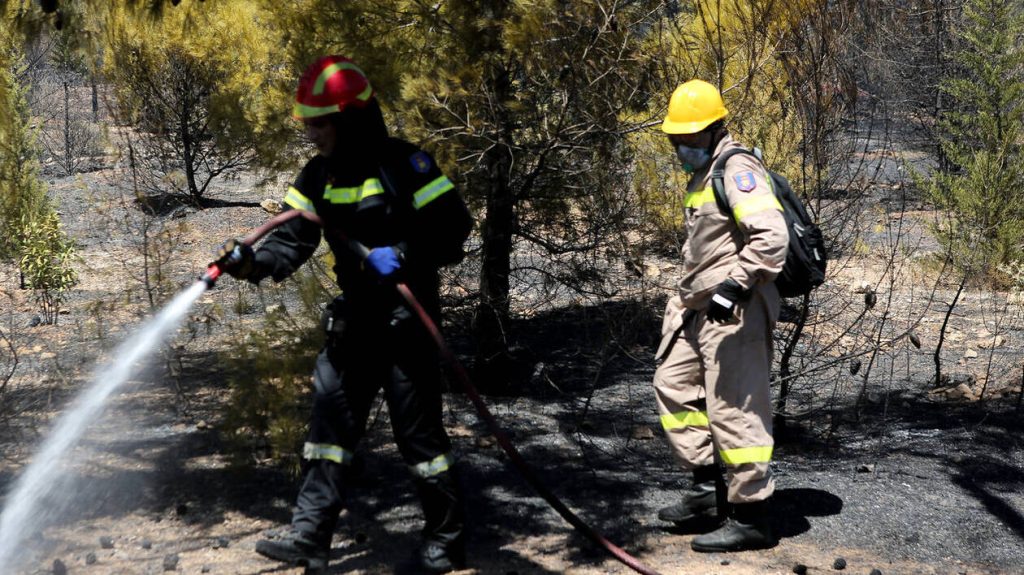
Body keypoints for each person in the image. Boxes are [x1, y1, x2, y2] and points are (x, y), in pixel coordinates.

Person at [215, 55, 473, 573]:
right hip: (355, 323)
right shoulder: (317, 176)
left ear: (349, 118)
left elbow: (454, 229)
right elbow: (289, 241)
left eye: (319, 122)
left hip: (406, 322)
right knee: (329, 430)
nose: (311, 133)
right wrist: (248, 263)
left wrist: (400, 254)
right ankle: (310, 536)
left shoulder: (407, 165)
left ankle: (446, 538)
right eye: (307, 123)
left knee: (420, 440)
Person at [652, 79, 788, 552]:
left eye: (688, 138)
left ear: (714, 129)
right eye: (676, 139)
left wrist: (733, 287)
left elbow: (771, 238)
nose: (680, 147)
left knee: (735, 408)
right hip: (697, 309)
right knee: (672, 386)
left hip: (735, 310)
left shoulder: (737, 169)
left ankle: (751, 517)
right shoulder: (704, 172)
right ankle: (707, 494)